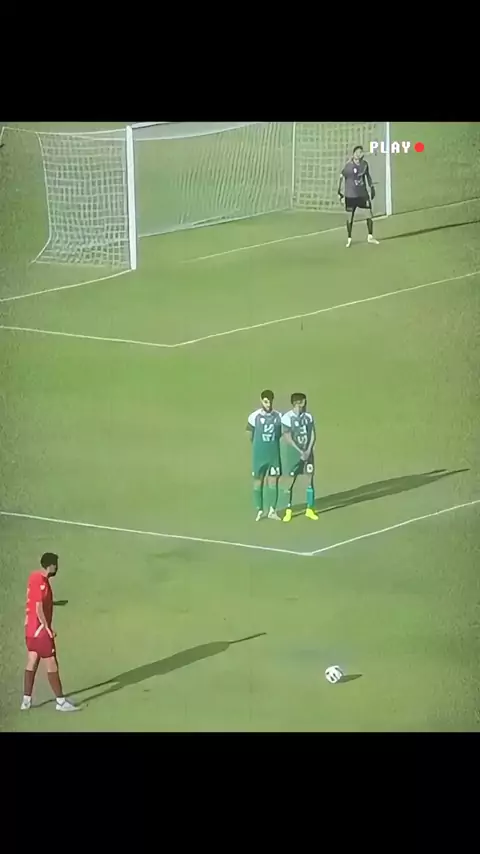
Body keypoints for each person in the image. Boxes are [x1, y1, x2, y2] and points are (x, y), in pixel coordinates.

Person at [22, 552, 77, 712]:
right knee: (52, 663)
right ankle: (60, 702)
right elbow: (38, 607)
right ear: (50, 566)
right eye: (56, 565)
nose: (57, 568)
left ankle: (26, 701)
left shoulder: (34, 577)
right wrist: (48, 628)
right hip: (40, 630)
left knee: (32, 660)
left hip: (29, 630)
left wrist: (54, 603)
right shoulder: (42, 583)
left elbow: (32, 599)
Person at [281, 393, 319, 522]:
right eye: (303, 402)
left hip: (308, 454)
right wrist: (299, 451)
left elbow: (312, 433)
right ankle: (288, 510)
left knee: (309, 480)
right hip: (294, 455)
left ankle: (310, 509)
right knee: (290, 482)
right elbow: (287, 437)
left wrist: (308, 450)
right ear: (297, 403)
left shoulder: (308, 417)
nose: (305, 404)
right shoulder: (287, 418)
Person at [246, 390, 282, 521]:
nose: (268, 404)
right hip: (259, 455)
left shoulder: (278, 416)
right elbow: (249, 433)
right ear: (261, 401)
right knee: (258, 481)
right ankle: (259, 510)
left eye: (270, 401)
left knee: (273, 481)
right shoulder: (254, 417)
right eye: (266, 402)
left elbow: (279, 433)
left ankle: (272, 510)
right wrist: (258, 445)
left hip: (273, 455)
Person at [338, 145, 379, 248]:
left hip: (362, 195)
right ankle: (349, 239)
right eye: (357, 152)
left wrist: (372, 187)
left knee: (369, 214)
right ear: (354, 154)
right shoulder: (348, 166)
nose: (359, 154)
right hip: (351, 195)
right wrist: (340, 193)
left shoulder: (364, 165)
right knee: (350, 217)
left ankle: (370, 236)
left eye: (361, 152)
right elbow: (341, 177)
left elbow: (367, 176)